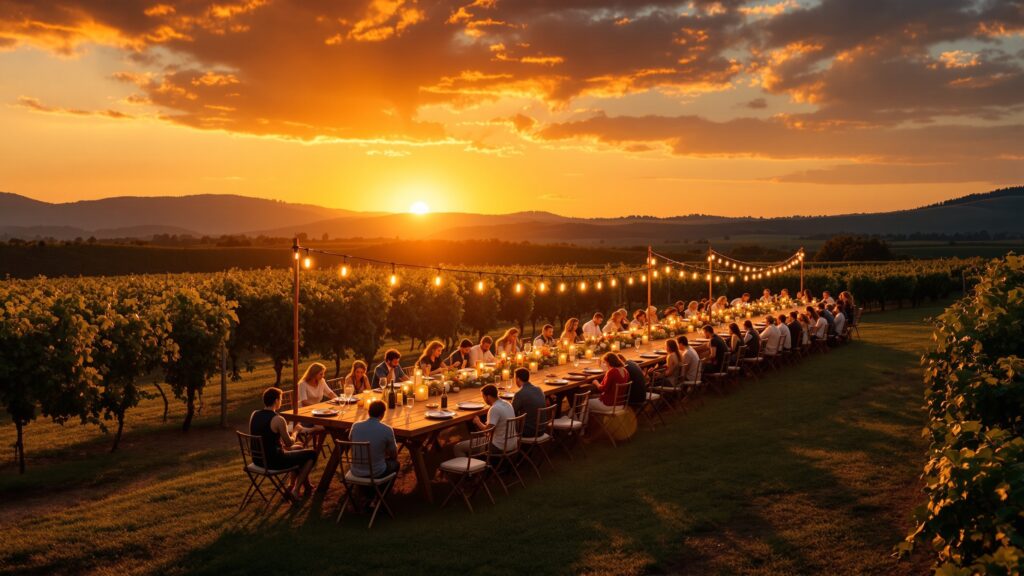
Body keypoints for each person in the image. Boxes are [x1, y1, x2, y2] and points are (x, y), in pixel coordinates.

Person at [249, 387, 317, 501]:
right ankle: (296, 491)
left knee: (299, 448)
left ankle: (298, 485)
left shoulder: (254, 414)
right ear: (276, 400)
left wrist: (284, 444)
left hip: (258, 459)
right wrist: (296, 430)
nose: (280, 401)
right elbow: (289, 443)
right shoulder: (278, 419)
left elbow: (265, 437)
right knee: (312, 454)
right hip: (274, 461)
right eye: (280, 399)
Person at [454, 384, 516, 456]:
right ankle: (477, 459)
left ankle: (470, 463)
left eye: (483, 397)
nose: (483, 399)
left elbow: (487, 432)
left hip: (498, 446)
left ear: (488, 397)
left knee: (458, 447)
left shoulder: (494, 408)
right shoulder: (507, 403)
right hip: (512, 444)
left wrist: (478, 422)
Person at [349, 400, 399, 479]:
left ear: (368, 412)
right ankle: (383, 486)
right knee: (395, 464)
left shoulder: (355, 426)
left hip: (356, 471)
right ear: (383, 414)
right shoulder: (387, 429)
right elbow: (394, 454)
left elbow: (351, 441)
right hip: (376, 472)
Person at [511, 368, 547, 438]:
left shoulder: (520, 393)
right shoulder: (539, 389)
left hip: (529, 432)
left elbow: (511, 411)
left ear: (518, 379)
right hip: (542, 429)